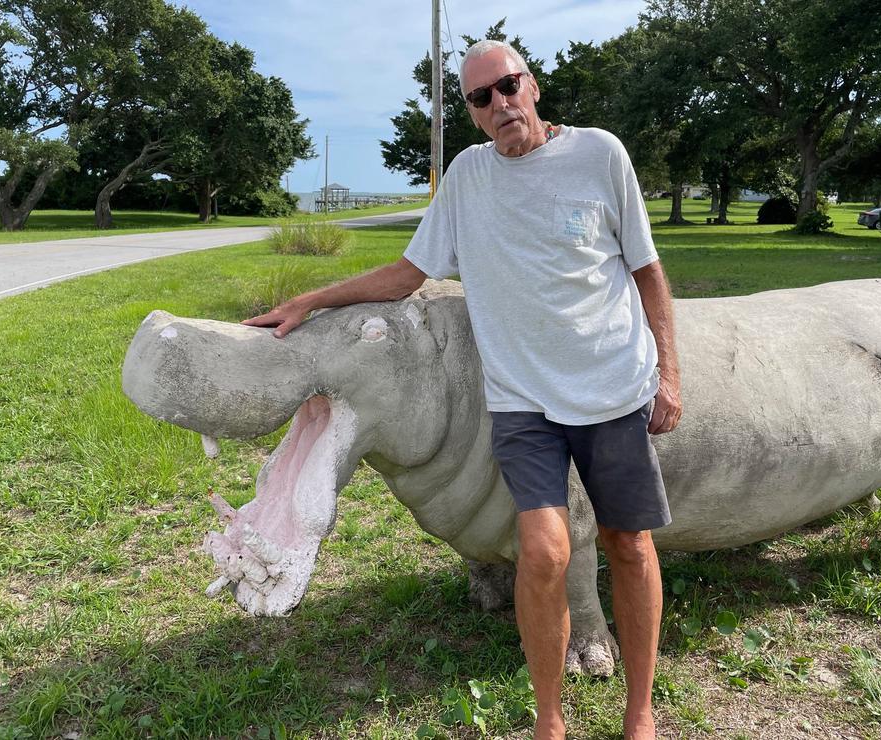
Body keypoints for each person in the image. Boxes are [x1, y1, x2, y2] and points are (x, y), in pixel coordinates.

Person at [244, 40, 681, 740]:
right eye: (481, 97)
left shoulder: (600, 154)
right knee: (542, 552)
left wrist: (670, 373)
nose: (500, 103)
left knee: (628, 544)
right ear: (472, 113)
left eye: (508, 85)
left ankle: (641, 712)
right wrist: (312, 299)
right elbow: (408, 273)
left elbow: (648, 271)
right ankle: (549, 720)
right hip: (523, 401)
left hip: (610, 386)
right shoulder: (469, 177)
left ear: (532, 86)